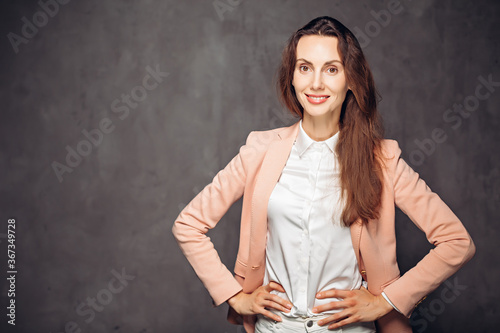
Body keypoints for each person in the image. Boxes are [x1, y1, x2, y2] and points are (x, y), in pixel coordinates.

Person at [172, 16, 475, 333]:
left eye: (331, 69)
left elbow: (457, 242)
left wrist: (386, 300)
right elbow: (189, 224)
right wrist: (235, 296)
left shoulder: (382, 160)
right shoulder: (258, 151)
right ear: (292, 77)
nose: (316, 82)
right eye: (305, 67)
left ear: (350, 79)